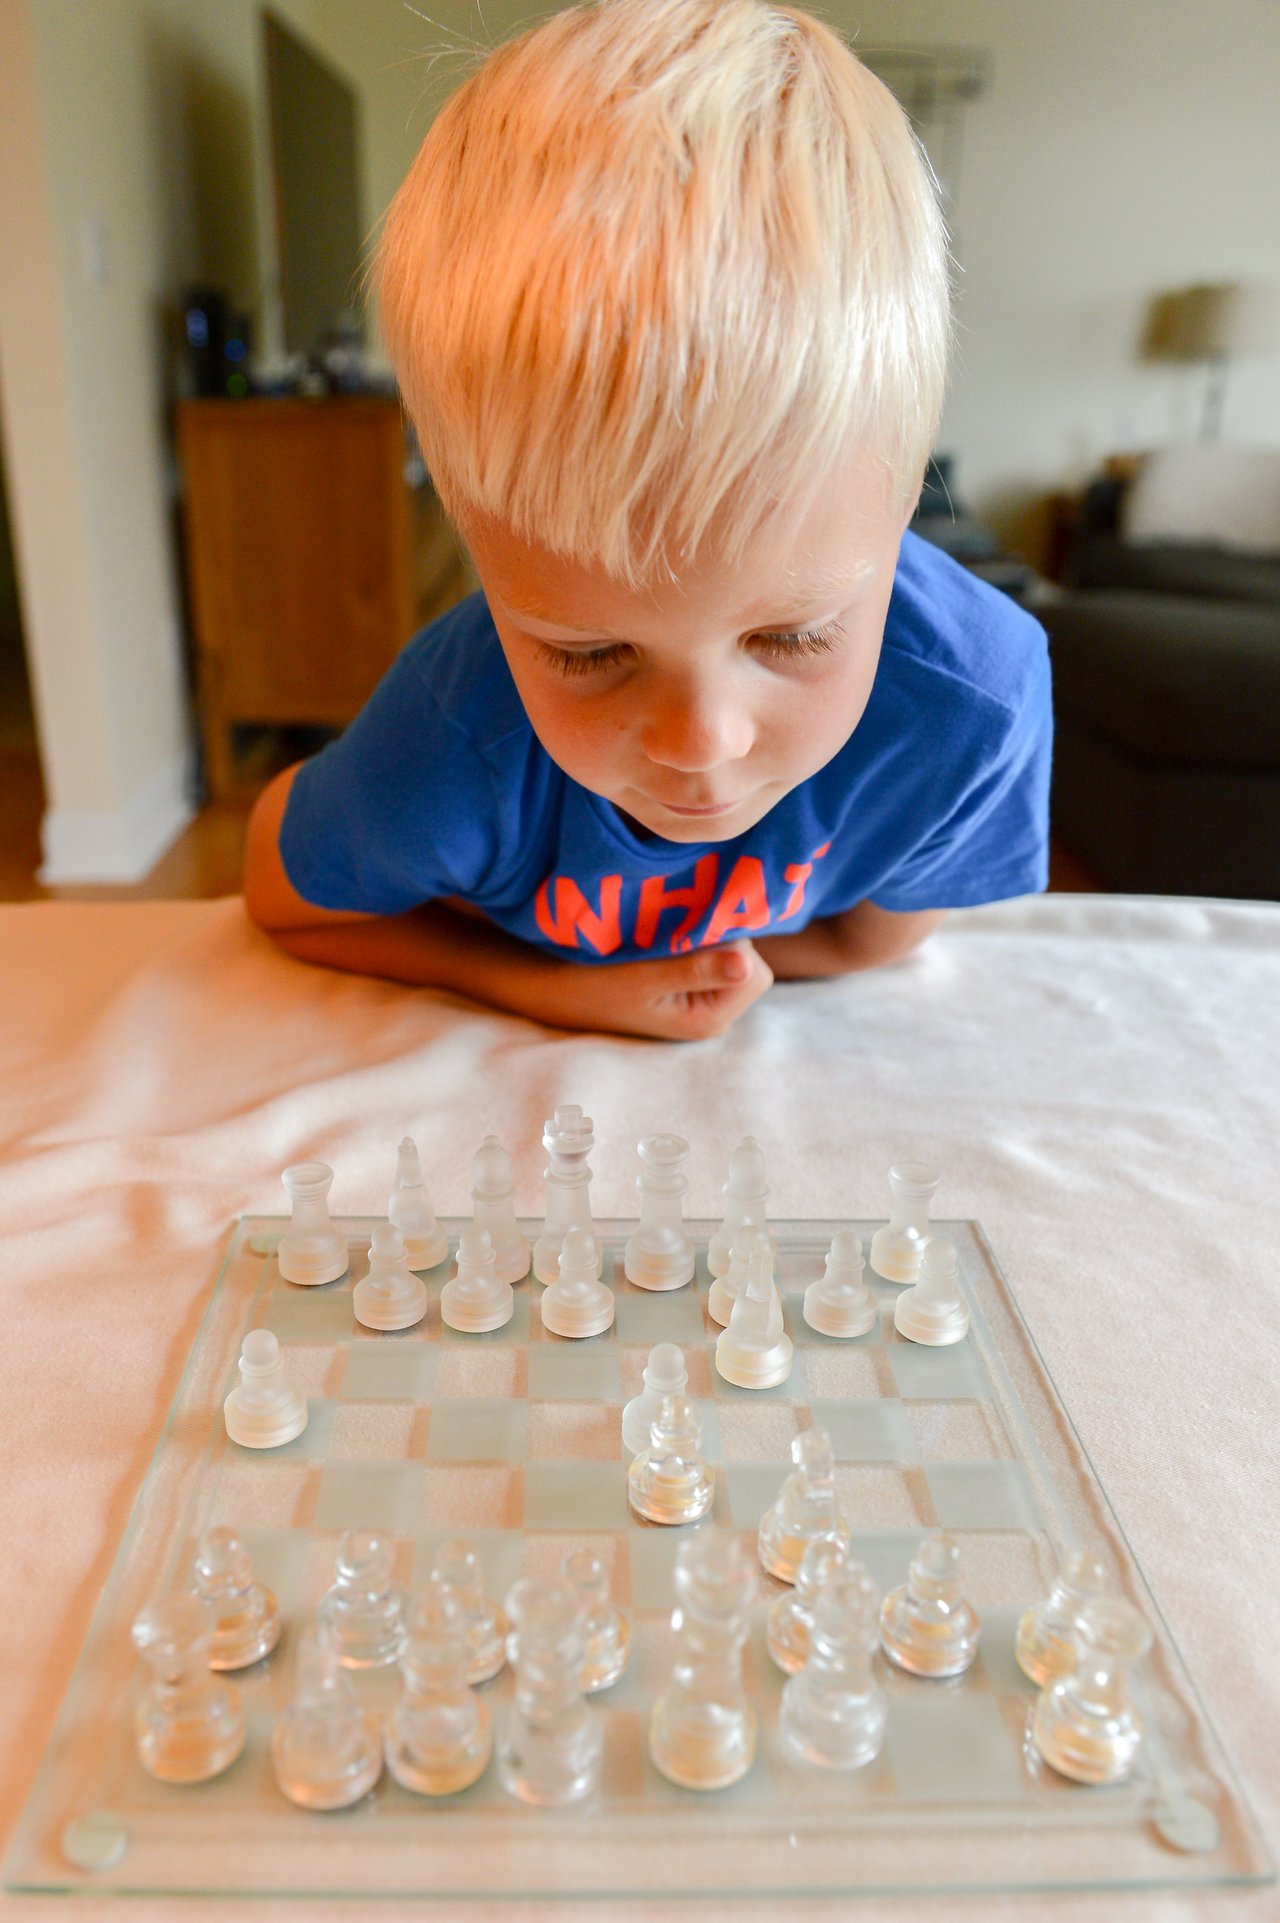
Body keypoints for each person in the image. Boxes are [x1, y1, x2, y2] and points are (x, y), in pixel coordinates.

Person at [245, 0, 1051, 1043]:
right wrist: (547, 987)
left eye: (790, 634)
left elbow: (871, 944)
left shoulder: (972, 704)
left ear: (903, 497)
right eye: (587, 652)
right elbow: (283, 889)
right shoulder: (448, 749)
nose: (698, 743)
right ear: (474, 548)